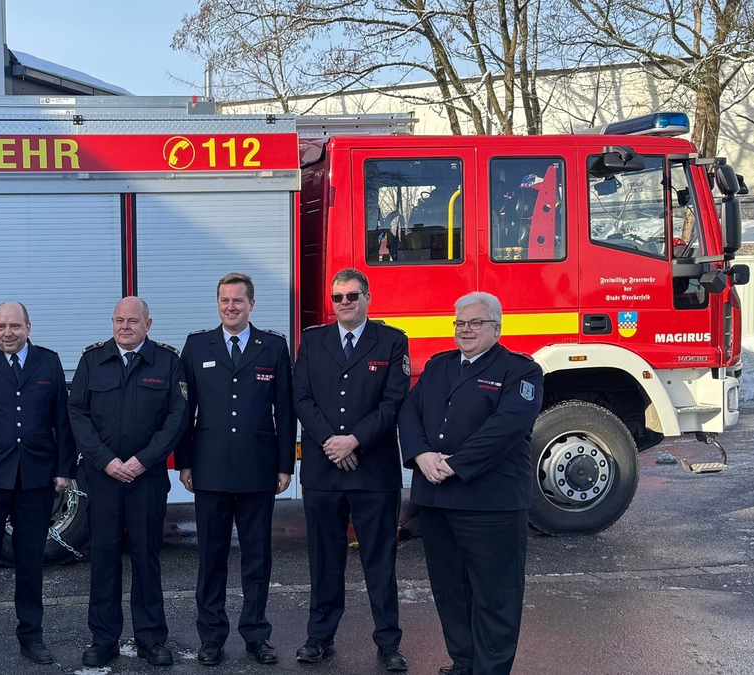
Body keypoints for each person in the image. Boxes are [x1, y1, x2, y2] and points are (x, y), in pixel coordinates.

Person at [399, 291, 543, 675]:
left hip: (490, 502)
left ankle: (490, 669)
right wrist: (421, 455)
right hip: (437, 499)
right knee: (449, 591)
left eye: (475, 323)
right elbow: (410, 411)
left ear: (496, 327)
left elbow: (506, 428)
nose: (466, 330)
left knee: (496, 595)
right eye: (460, 323)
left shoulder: (520, 371)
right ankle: (463, 663)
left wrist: (455, 464)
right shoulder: (439, 366)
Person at [292, 268, 410, 670]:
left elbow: (393, 402)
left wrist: (354, 440)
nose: (344, 303)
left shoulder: (392, 341)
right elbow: (301, 398)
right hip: (325, 471)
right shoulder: (313, 340)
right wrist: (332, 442)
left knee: (380, 560)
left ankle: (389, 643)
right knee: (324, 559)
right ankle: (319, 637)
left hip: (372, 471)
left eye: (352, 296)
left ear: (367, 298)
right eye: (338, 297)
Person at [176, 273, 295, 667]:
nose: (231, 307)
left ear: (251, 305)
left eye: (238, 301)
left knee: (257, 559)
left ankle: (256, 634)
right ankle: (211, 637)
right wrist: (186, 461)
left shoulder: (273, 347)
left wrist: (285, 465)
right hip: (209, 470)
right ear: (217, 304)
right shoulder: (196, 346)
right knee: (211, 558)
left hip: (258, 469)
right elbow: (183, 411)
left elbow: (286, 410)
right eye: (224, 300)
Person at [68, 296, 189, 668]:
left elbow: (177, 417)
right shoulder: (92, 360)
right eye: (119, 320)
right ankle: (103, 639)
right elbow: (77, 412)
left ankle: (151, 638)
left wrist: (141, 461)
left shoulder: (168, 362)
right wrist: (106, 461)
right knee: (103, 558)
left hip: (146, 479)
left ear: (148, 325)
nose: (125, 326)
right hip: (103, 480)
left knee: (146, 558)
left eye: (133, 321)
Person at [0, 302, 74, 670]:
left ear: (28, 327)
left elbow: (62, 421)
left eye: (15, 326)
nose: (7, 333)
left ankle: (31, 637)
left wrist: (64, 469)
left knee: (30, 563)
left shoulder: (48, 362)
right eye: (1, 326)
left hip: (36, 477)